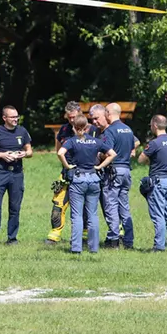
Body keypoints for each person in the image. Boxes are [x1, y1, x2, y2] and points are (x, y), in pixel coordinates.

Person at [57, 114, 116, 254]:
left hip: (78, 179)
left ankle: (76, 248)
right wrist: (99, 166)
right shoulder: (95, 141)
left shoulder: (72, 141)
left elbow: (60, 153)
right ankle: (94, 248)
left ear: (74, 127)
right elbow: (113, 154)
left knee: (77, 215)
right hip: (94, 179)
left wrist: (67, 166)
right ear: (87, 127)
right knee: (93, 215)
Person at [46, 101, 98, 244]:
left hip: (86, 173)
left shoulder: (93, 129)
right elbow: (58, 150)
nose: (72, 121)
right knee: (58, 203)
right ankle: (54, 235)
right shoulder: (63, 130)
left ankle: (85, 235)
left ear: (80, 114)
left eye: (74, 117)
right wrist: (67, 166)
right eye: (69, 118)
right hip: (67, 173)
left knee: (86, 205)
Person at [0, 106, 32, 246]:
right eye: (12, 117)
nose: (16, 119)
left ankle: (12, 238)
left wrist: (24, 154)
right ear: (4, 118)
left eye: (17, 116)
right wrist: (2, 155)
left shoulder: (22, 131)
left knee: (15, 207)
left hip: (16, 173)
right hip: (1, 173)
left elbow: (29, 151)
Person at [138, 115, 167, 252]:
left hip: (158, 182)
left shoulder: (155, 143)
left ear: (155, 125)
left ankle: (159, 246)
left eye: (151, 125)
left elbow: (141, 159)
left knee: (158, 215)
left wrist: (150, 159)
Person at [101, 103, 138, 249]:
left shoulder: (110, 131)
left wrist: (99, 157)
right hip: (126, 171)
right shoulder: (128, 130)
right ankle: (128, 241)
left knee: (111, 205)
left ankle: (113, 240)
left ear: (109, 113)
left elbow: (107, 152)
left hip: (114, 171)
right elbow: (132, 147)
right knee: (124, 206)